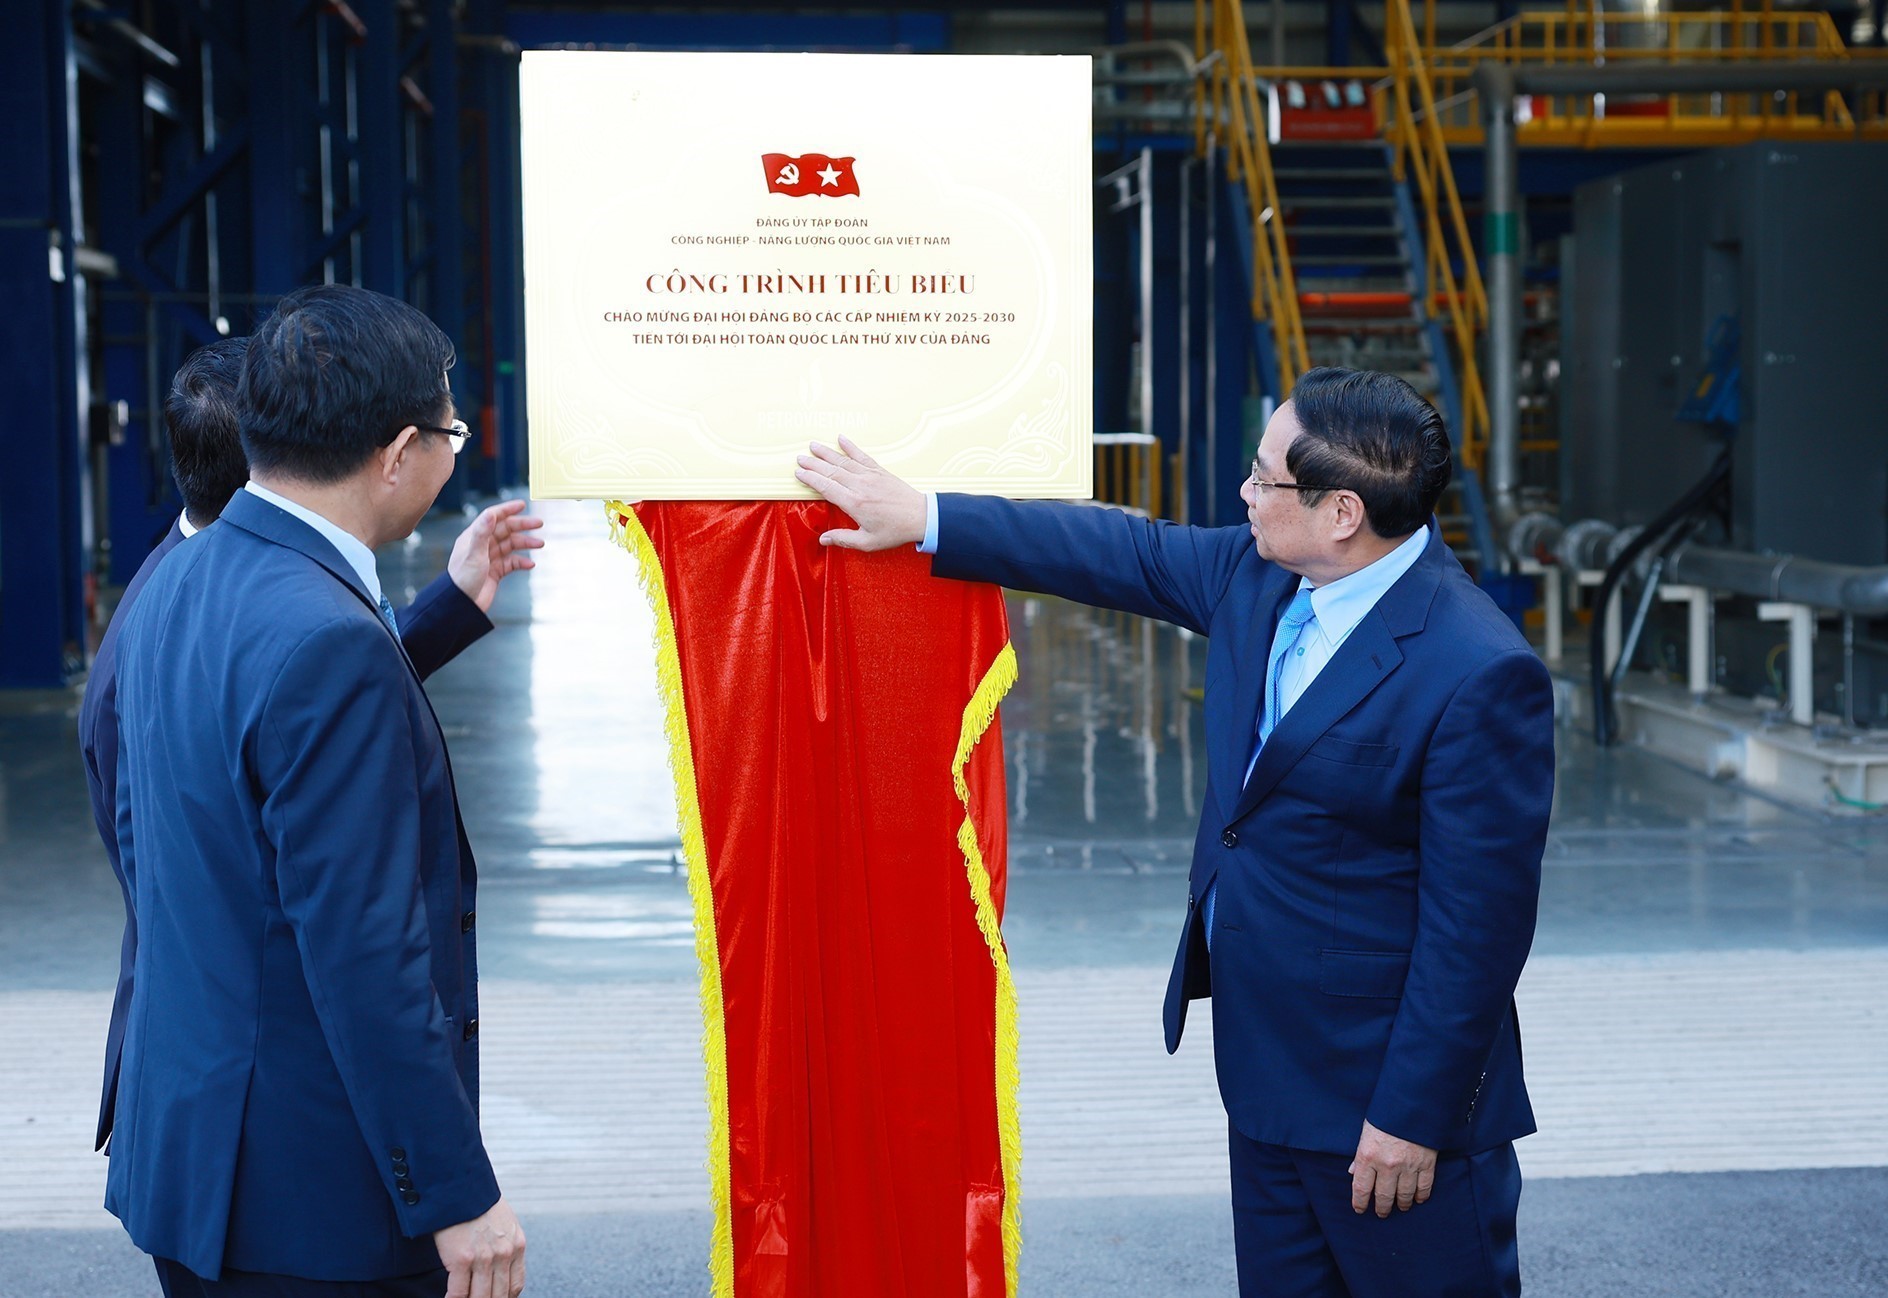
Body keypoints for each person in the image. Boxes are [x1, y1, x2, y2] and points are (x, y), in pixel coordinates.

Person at [795, 367, 1555, 1297]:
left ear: (1343, 511)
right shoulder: (1261, 577)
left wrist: (1412, 1118)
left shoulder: (1476, 669)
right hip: (1266, 1077)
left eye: (1265, 476)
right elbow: (1118, 550)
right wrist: (925, 515)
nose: (1244, 492)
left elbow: (1476, 932)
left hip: (1387, 1115)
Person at [108, 286, 527, 1298]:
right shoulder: (330, 638)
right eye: (450, 434)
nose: (452, 454)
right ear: (397, 452)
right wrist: (453, 1191)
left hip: (196, 1166)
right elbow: (365, 952)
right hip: (313, 1206)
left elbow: (154, 825)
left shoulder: (172, 579)